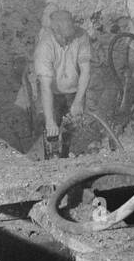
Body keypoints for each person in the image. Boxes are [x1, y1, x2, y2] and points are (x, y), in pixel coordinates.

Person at [34, 9, 92, 159]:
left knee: (73, 130)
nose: (68, 39)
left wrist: (78, 101)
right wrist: (50, 121)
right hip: (52, 93)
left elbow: (85, 71)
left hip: (73, 91)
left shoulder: (81, 36)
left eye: (70, 34)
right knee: (51, 132)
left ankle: (68, 160)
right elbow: (45, 88)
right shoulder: (45, 46)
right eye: (65, 36)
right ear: (55, 30)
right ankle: (51, 163)